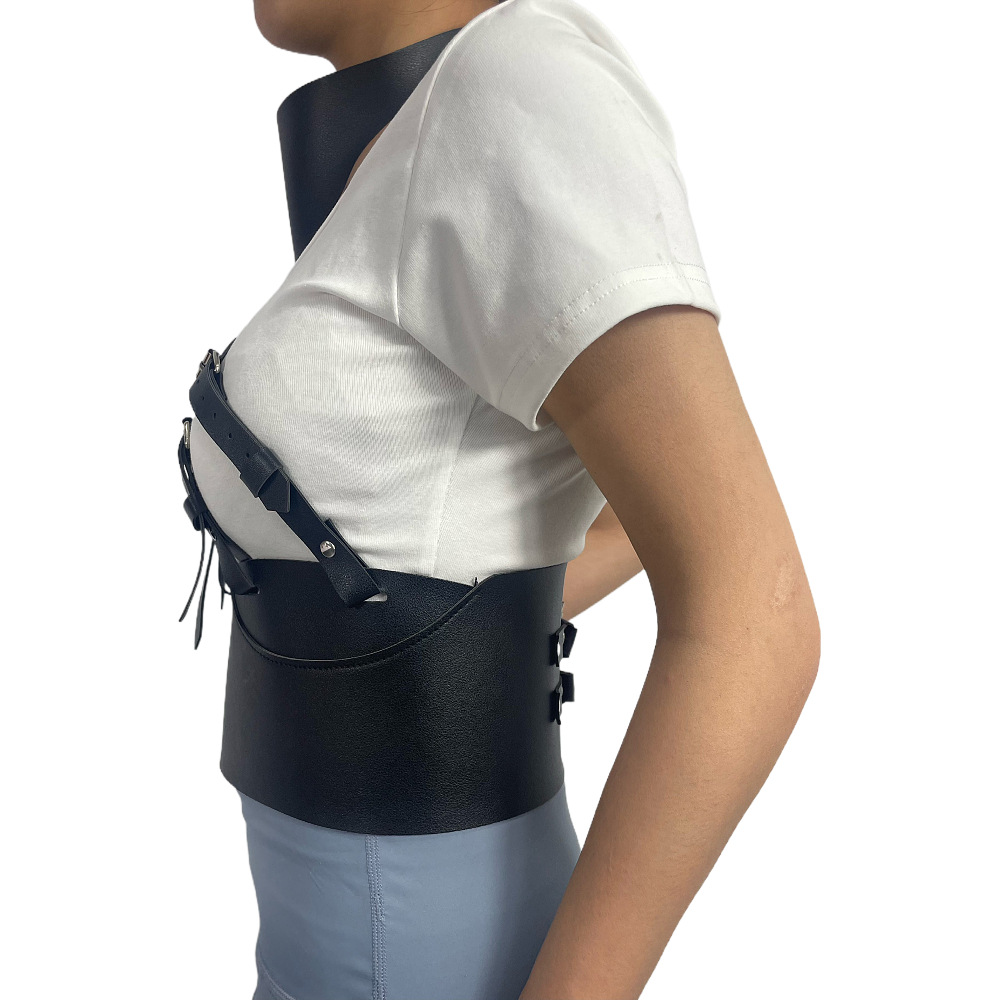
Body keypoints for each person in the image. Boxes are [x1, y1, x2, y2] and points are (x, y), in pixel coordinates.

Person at [181, 0, 821, 997]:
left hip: (420, 948)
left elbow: (755, 616)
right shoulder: (431, 126)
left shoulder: (518, 86)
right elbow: (549, 519)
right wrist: (480, 622)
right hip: (325, 936)